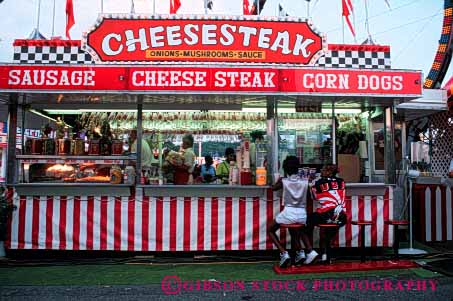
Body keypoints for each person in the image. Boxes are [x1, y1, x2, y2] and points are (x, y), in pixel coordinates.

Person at [267, 156, 315, 268]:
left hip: (288, 213)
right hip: (302, 214)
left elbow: (273, 188)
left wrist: (277, 181)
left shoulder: (283, 181)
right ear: (298, 168)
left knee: (270, 229)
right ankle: (303, 252)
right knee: (295, 230)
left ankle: (284, 253)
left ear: (285, 168)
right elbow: (309, 195)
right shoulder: (305, 181)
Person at [305, 164, 347, 263]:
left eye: (323, 170)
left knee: (306, 222)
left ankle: (310, 250)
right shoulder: (342, 181)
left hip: (327, 214)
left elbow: (313, 197)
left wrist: (310, 182)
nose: (321, 172)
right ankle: (326, 255)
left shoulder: (319, 183)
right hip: (341, 216)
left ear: (329, 172)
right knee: (327, 233)